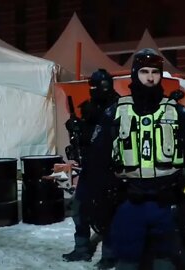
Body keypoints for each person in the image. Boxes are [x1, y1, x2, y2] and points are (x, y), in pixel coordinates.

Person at [85, 48, 185, 270]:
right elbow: (96, 161)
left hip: (169, 204)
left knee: (167, 263)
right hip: (127, 204)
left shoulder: (179, 114)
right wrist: (97, 201)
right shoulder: (114, 113)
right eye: (144, 71)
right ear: (135, 74)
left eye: (155, 72)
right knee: (127, 263)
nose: (150, 77)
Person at [62, 69, 119, 269]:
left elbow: (107, 137)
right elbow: (86, 137)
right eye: (92, 86)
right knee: (79, 210)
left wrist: (84, 130)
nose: (94, 90)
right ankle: (82, 249)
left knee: (107, 214)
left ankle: (109, 256)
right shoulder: (90, 107)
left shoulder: (118, 107)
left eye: (97, 86)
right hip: (89, 167)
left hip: (110, 169)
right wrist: (75, 127)